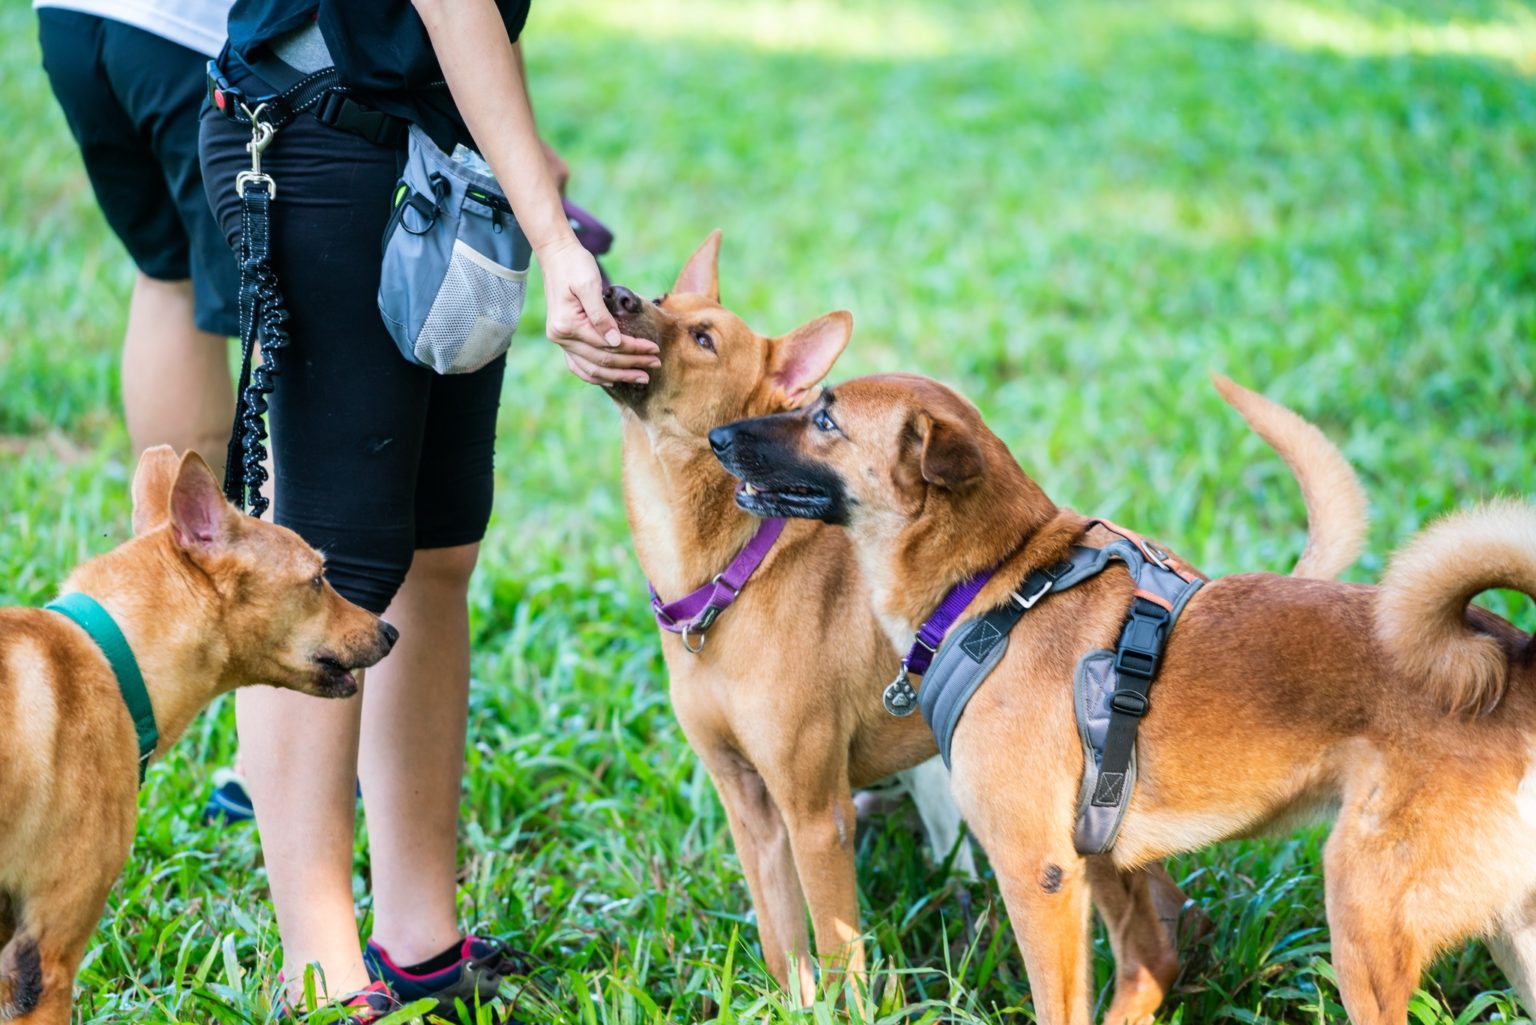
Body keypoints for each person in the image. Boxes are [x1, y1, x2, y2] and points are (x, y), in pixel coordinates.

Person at [199, 1, 659, 1019]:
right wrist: (552, 236)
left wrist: (520, 158)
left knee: (439, 547)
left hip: (437, 149)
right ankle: (321, 976)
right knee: (332, 570)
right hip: (317, 134)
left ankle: (420, 942)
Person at [36, 0, 239, 476]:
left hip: (73, 21)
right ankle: (298, 520)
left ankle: (175, 522)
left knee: (167, 276)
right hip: (194, 37)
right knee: (282, 313)